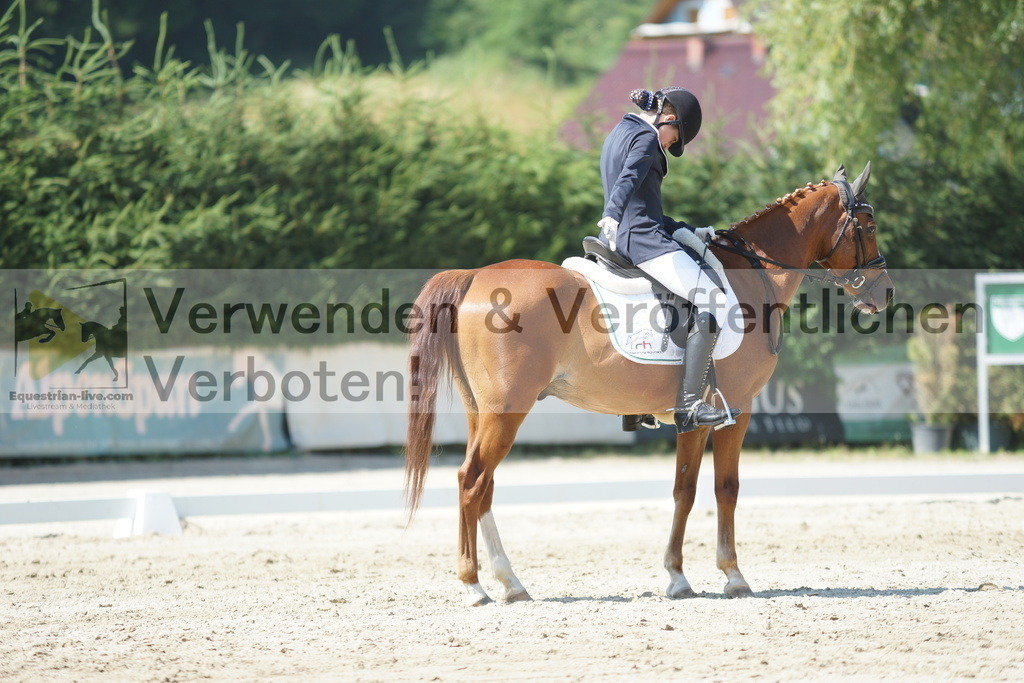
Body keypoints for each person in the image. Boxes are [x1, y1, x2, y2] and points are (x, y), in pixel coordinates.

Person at [597, 86, 740, 433]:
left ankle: (638, 402)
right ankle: (690, 405)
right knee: (713, 299)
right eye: (674, 138)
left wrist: (689, 230)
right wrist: (612, 213)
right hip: (643, 242)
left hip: (621, 238)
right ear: (669, 118)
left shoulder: (619, 131)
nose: (670, 144)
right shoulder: (647, 138)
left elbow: (645, 206)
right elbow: (629, 180)